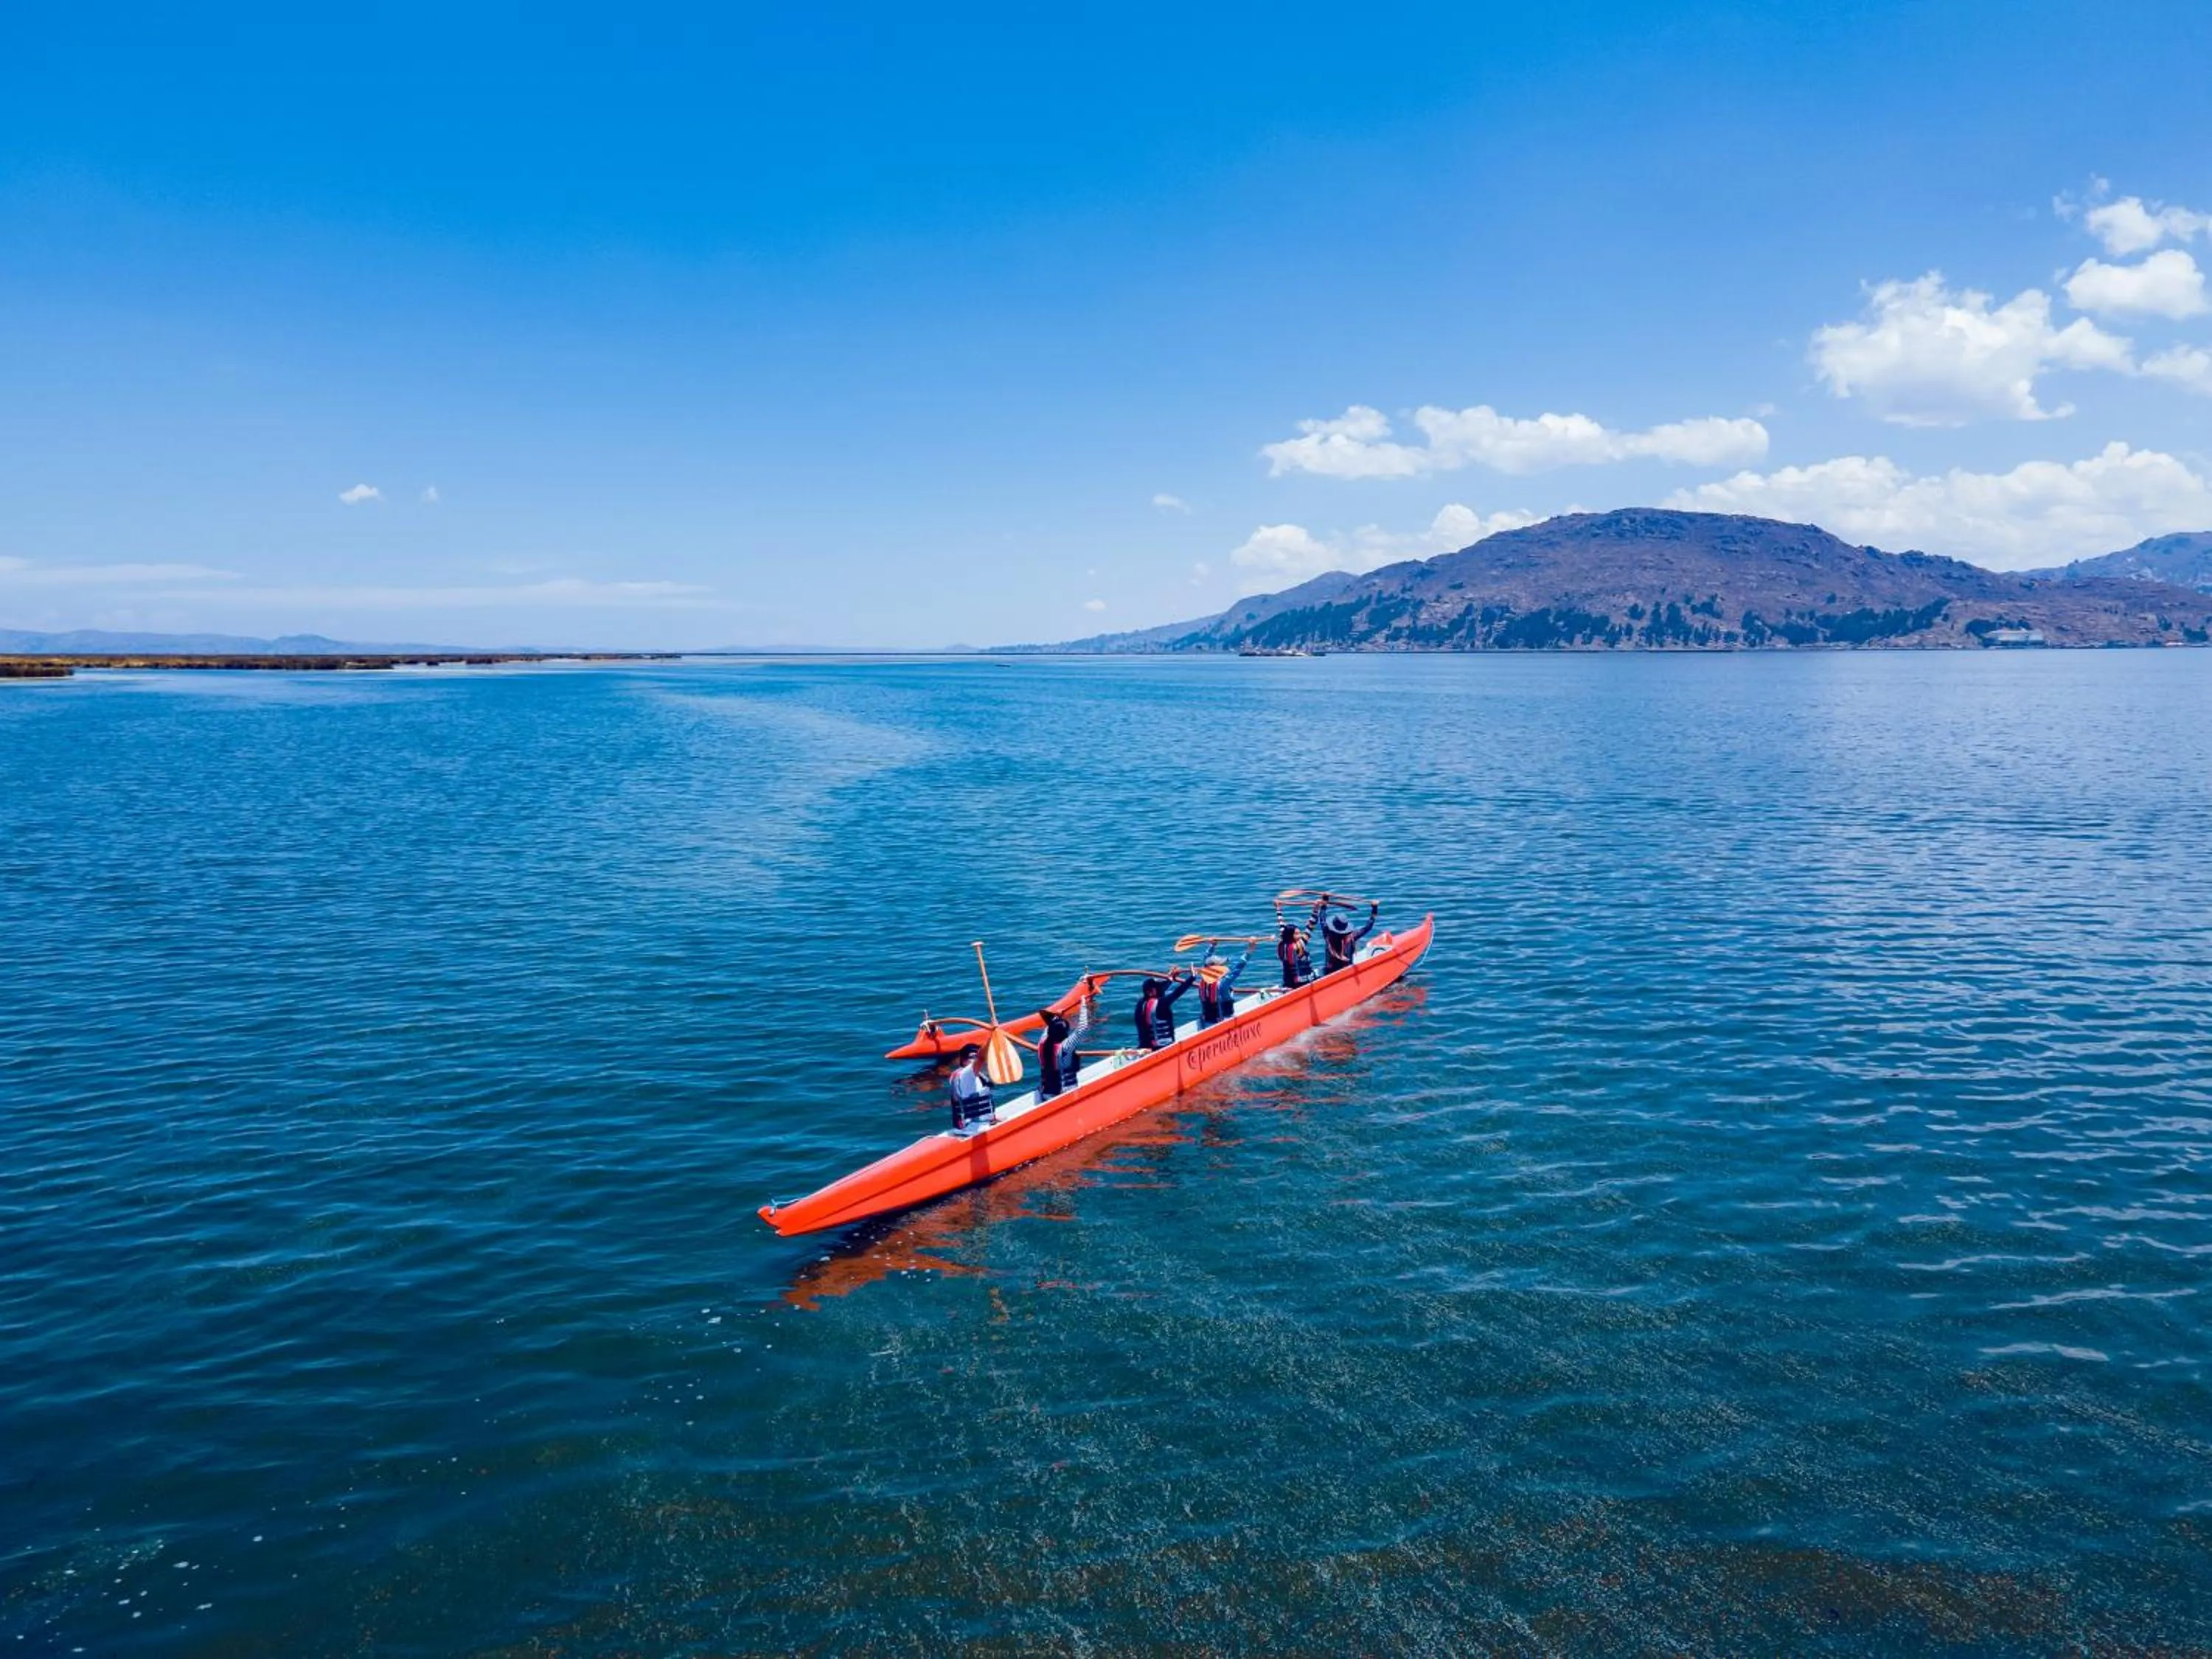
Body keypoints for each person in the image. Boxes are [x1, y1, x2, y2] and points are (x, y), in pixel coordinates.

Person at [1035, 1004, 1090, 1101]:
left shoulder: (1042, 1043)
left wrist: (1056, 1017)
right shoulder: (1066, 1046)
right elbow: (1082, 1027)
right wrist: (1084, 1006)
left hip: (1045, 1093)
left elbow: (1048, 1028)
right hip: (1063, 1095)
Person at [1197, 943, 1252, 1027]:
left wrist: (1212, 946)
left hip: (1207, 1019)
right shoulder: (1222, 984)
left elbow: (1205, 960)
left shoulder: (1203, 979)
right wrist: (1250, 950)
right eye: (1221, 965)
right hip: (1223, 1021)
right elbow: (1238, 968)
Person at [1135, 972, 1194, 1050]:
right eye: (1157, 988)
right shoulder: (1161, 1003)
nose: (1160, 989)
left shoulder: (1140, 1004)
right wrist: (1192, 977)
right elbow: (1178, 992)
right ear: (1150, 992)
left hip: (1144, 1046)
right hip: (1162, 1047)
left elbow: (1160, 990)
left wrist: (1171, 979)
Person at [1320, 901, 1380, 975]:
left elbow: (1322, 919)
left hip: (1330, 973)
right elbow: (1368, 927)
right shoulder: (1352, 937)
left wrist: (1324, 905)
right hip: (1347, 972)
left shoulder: (1328, 935)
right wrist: (1375, 908)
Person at [947, 1043, 994, 1130]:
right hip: (972, 1129)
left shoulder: (973, 1075)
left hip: (973, 1126)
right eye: (973, 1057)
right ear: (964, 1061)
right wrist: (993, 1037)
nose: (976, 1060)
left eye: (977, 1056)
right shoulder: (966, 1074)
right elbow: (981, 1058)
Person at [1276, 919, 1313, 989]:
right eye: (1297, 934)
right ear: (1290, 935)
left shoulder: (1283, 944)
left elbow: (1282, 926)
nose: (1300, 935)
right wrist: (1316, 911)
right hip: (1302, 982)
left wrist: (1278, 910)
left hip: (1288, 981)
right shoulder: (1298, 946)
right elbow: (1309, 929)